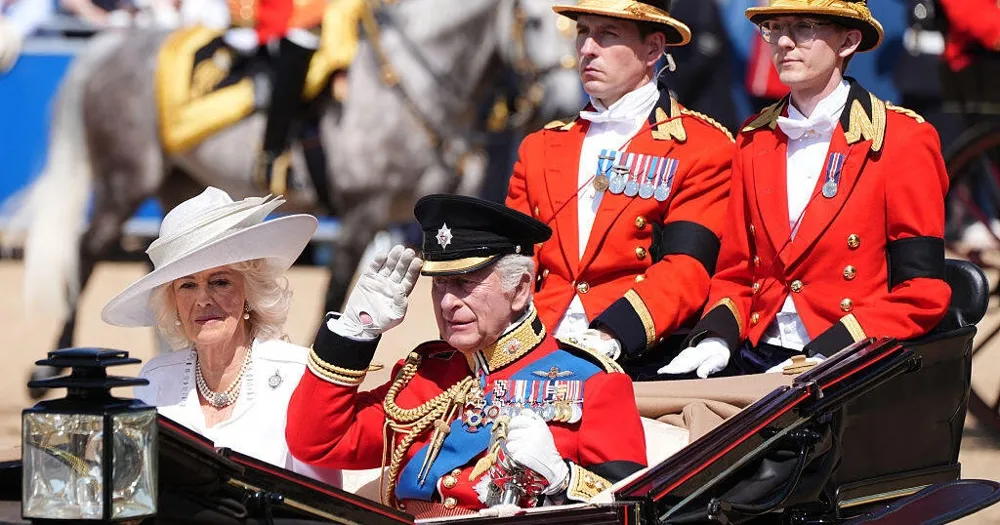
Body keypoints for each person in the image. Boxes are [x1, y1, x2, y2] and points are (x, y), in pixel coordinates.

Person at [286, 194, 646, 518]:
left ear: (520, 289)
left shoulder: (591, 382)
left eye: (465, 283)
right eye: (439, 283)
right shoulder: (425, 373)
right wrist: (354, 332)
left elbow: (635, 509)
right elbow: (315, 443)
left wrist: (562, 481)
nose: (447, 302)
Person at [659, 0, 951, 379]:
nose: (783, 42)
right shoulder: (753, 137)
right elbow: (736, 274)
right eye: (775, 28)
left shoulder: (902, 139)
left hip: (850, 359)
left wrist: (829, 353)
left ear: (848, 42)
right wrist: (715, 337)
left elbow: (921, 292)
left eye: (803, 27)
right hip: (754, 351)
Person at [504, 0, 735, 380]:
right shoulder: (540, 147)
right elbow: (512, 260)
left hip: (635, 352)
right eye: (582, 32)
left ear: (654, 49)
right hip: (538, 344)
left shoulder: (702, 148)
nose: (587, 48)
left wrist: (612, 334)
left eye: (607, 34)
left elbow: (687, 268)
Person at [101, 186, 340, 485]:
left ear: (249, 292)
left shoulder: (298, 376)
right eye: (187, 285)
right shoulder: (155, 381)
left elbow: (324, 501)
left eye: (220, 282)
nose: (203, 299)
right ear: (173, 301)